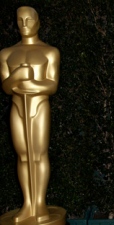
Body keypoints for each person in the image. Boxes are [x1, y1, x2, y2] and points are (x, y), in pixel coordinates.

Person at [0, 6, 60, 222]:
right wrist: (17, 75)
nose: (24, 25)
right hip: (17, 107)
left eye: (29, 20)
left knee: (39, 154)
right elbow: (7, 86)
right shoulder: (6, 53)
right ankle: (28, 203)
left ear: (38, 22)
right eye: (20, 20)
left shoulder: (49, 52)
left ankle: (40, 204)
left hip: (39, 107)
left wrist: (30, 82)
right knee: (23, 156)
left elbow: (52, 86)